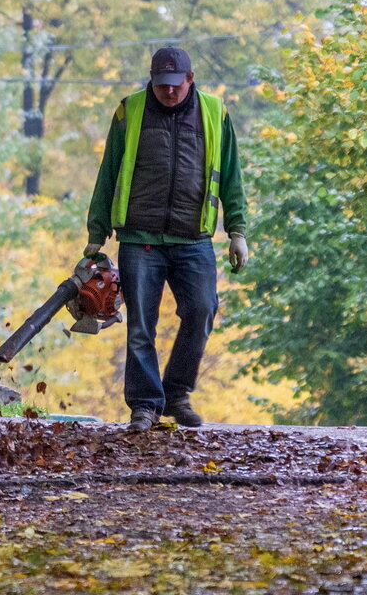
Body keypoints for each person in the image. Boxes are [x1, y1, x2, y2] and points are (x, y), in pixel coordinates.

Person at [84, 46, 248, 430]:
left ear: (190, 79)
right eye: (161, 85)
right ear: (152, 79)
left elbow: (232, 174)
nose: (168, 92)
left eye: (176, 84)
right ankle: (144, 404)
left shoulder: (214, 112)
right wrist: (96, 231)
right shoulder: (130, 110)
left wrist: (237, 231)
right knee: (141, 324)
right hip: (140, 237)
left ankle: (176, 393)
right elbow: (108, 171)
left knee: (202, 309)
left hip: (193, 238)